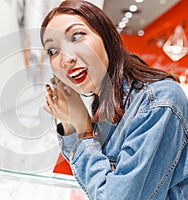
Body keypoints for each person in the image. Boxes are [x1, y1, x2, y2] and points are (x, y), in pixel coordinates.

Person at [40, 1, 188, 199]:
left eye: (76, 36)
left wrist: (83, 130)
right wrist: (69, 124)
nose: (65, 59)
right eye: (52, 51)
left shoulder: (158, 101)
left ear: (106, 37)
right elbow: (95, 180)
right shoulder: (104, 99)